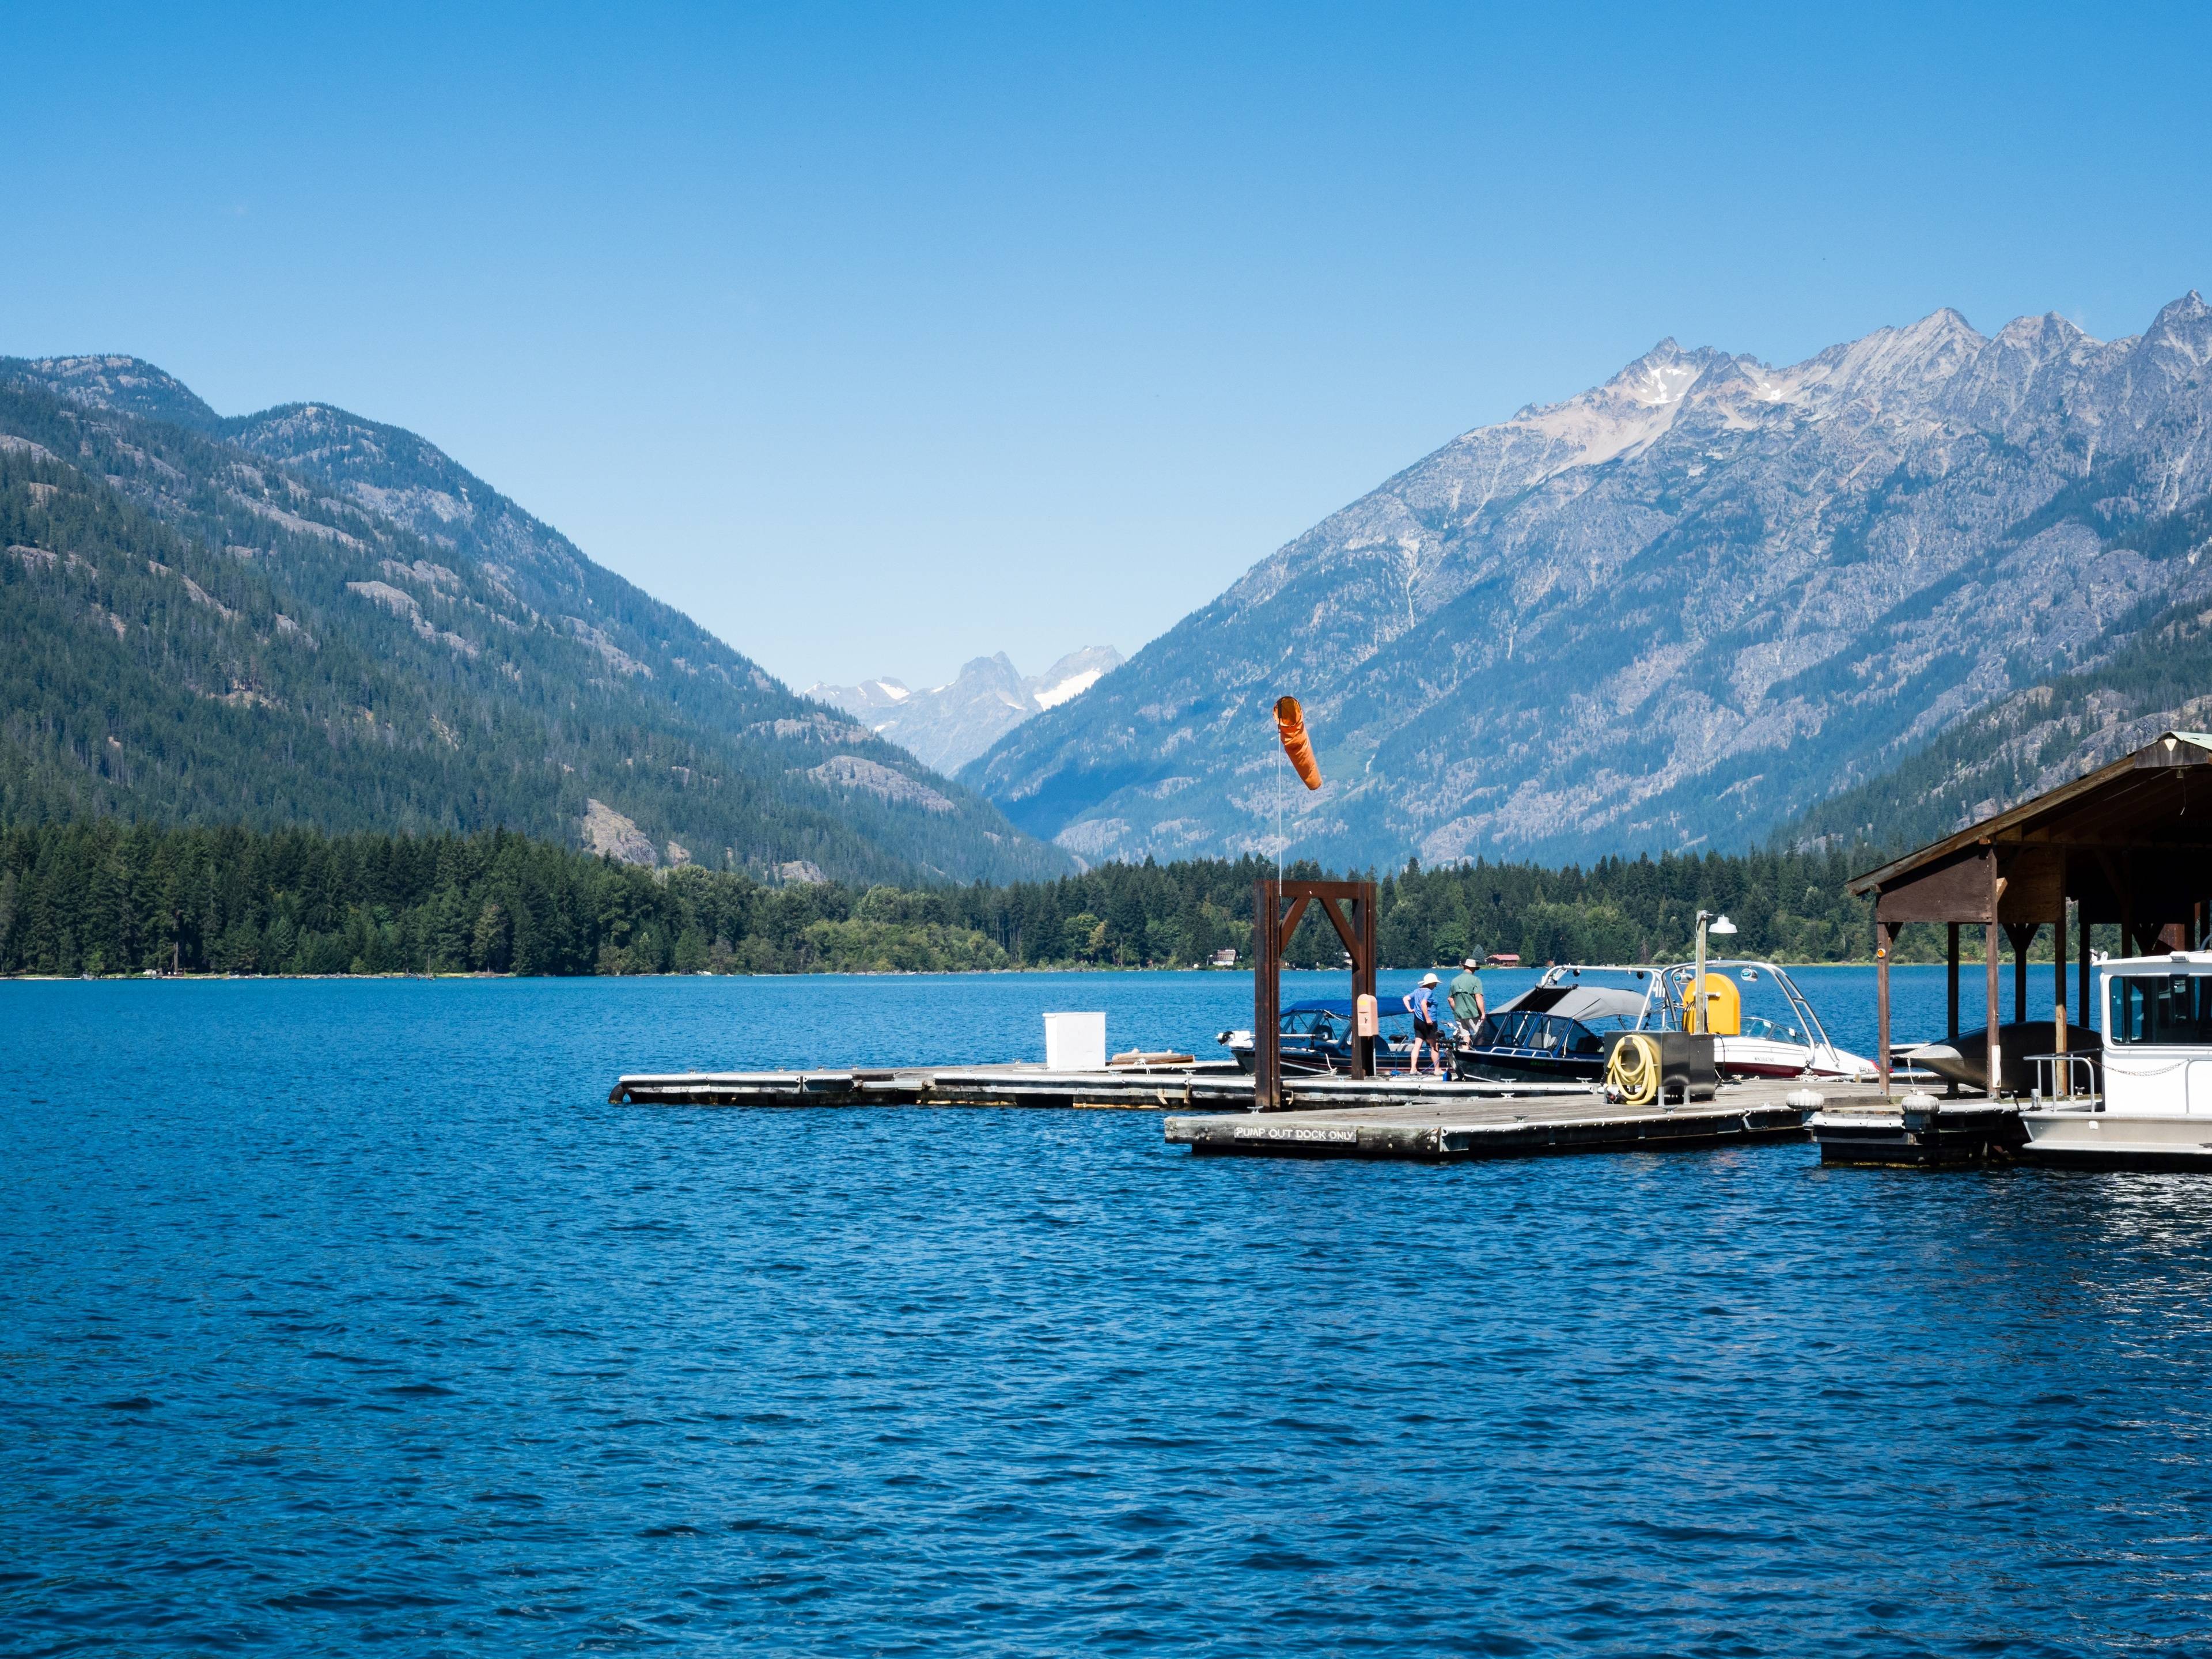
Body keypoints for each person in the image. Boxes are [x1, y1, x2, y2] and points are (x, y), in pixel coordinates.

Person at [1404, 972, 1448, 1078]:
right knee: (1435, 1045)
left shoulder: (1417, 991)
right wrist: (1428, 1019)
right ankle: (1437, 1069)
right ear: (1431, 983)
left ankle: (1413, 1068)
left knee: (1417, 1045)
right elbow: (1424, 1004)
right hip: (1428, 1022)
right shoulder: (1428, 992)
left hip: (1417, 1021)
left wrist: (1410, 1010)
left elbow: (1405, 998)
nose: (1436, 986)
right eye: (1435, 984)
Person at [1448, 957, 1487, 1050]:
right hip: (1473, 1013)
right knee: (1480, 1035)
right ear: (1473, 969)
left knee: (1465, 1037)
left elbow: (1450, 999)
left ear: (1464, 967)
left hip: (1459, 1015)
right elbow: (1478, 997)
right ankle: (1480, 1055)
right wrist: (1483, 1013)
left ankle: (1463, 1057)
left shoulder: (1454, 981)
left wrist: (1457, 1010)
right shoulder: (1476, 980)